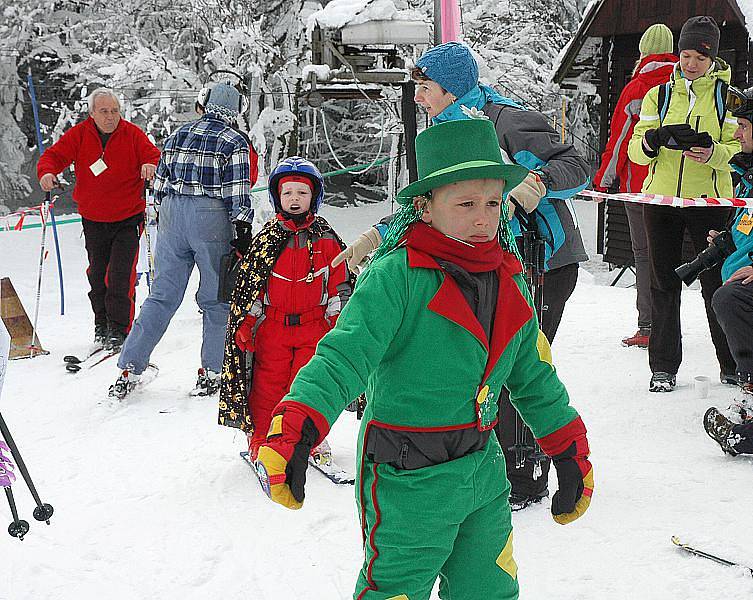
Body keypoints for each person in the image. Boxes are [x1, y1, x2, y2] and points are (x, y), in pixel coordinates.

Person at [254, 119, 593, 600]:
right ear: (425, 208)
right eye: (466, 204)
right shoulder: (397, 276)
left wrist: (567, 446)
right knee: (396, 591)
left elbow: (533, 375)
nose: (484, 218)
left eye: (494, 203)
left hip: (482, 470)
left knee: (490, 589)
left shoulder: (508, 276)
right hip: (406, 479)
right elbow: (341, 357)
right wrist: (298, 425)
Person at [334, 41, 591, 510]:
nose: (417, 96)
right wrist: (375, 237)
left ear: (450, 88)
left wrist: (534, 185)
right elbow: (428, 209)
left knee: (514, 365)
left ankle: (528, 471)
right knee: (477, 366)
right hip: (482, 263)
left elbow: (577, 164)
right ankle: (493, 462)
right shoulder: (444, 131)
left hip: (544, 261)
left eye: (424, 86)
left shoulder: (504, 121)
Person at [108, 84, 256, 400]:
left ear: (205, 103)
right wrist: (242, 230)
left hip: (172, 214)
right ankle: (213, 371)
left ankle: (130, 367)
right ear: (237, 110)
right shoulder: (235, 142)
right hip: (211, 216)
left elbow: (159, 185)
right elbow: (238, 193)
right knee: (217, 298)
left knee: (161, 295)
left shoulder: (178, 134)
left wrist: (166, 212)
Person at [628, 15, 739, 392]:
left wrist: (713, 153)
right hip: (661, 200)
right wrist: (652, 140)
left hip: (710, 200)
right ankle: (663, 366)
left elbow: (739, 148)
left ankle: (732, 363)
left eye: (700, 58)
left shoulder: (728, 98)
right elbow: (636, 150)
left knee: (715, 282)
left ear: (713, 60)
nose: (691, 64)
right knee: (663, 283)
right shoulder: (658, 95)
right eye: (687, 55)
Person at [218, 157, 352, 462]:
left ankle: (309, 441)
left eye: (301, 193)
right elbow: (253, 286)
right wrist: (246, 322)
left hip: (314, 329)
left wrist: (339, 325)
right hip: (274, 329)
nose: (294, 200)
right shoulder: (266, 239)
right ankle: (263, 440)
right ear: (277, 197)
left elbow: (339, 285)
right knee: (267, 388)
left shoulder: (327, 239)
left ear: (313, 196)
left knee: (309, 387)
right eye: (288, 193)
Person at [37, 88, 160, 351]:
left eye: (114, 111)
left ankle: (119, 328)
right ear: (92, 113)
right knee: (97, 275)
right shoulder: (80, 134)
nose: (110, 117)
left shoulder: (132, 134)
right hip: (93, 219)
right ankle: (101, 324)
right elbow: (53, 157)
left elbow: (153, 156)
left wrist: (150, 165)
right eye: (104, 111)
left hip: (128, 218)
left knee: (119, 275)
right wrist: (47, 173)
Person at [594, 23, 677, 348]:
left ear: (644, 51)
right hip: (676, 188)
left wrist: (603, 182)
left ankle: (648, 326)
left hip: (639, 187)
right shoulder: (684, 86)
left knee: (645, 256)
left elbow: (619, 143)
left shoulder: (637, 88)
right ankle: (669, 326)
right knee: (668, 257)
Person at [703, 85, 753, 455]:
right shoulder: (746, 174)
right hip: (739, 272)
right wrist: (727, 237)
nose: (737, 134)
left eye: (744, 126)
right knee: (726, 295)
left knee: (731, 300)